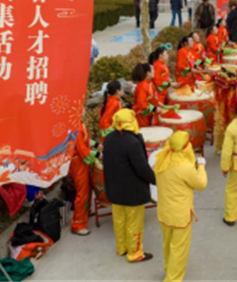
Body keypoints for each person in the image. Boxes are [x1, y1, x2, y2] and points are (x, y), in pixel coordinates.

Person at [103, 109, 156, 263]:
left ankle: (122, 248)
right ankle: (135, 253)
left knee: (119, 221)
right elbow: (142, 168)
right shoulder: (132, 142)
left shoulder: (109, 139)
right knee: (134, 223)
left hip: (114, 188)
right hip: (132, 190)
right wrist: (156, 180)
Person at [155, 131, 207, 281]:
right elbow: (201, 184)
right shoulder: (185, 166)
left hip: (164, 212)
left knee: (167, 245)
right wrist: (201, 166)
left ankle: (168, 271)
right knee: (179, 249)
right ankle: (173, 278)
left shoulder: (161, 160)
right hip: (180, 215)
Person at [69, 122, 97, 236]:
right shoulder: (76, 127)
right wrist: (97, 154)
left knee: (87, 188)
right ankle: (78, 224)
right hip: (78, 162)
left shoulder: (80, 124)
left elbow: (87, 141)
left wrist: (96, 145)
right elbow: (82, 149)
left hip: (81, 161)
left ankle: (86, 211)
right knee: (82, 192)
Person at [132, 63, 162, 128]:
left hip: (149, 113)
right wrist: (155, 108)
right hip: (143, 116)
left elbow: (151, 97)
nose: (154, 72)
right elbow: (142, 104)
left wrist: (158, 103)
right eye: (153, 70)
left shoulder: (149, 82)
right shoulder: (142, 86)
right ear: (148, 73)